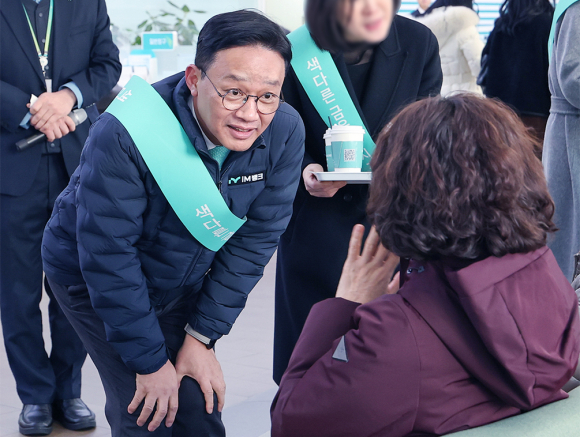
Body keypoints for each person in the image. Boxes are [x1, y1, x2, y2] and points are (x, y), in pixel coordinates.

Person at [41, 9, 304, 437]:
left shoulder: (285, 131)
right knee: (148, 410)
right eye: (234, 92)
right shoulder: (125, 132)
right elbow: (109, 256)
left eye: (267, 96)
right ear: (194, 79)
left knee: (198, 405)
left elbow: (255, 242)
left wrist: (201, 338)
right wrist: (149, 364)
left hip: (182, 276)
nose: (250, 114)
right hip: (92, 275)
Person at [271, 93, 580, 437]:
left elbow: (291, 421)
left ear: (397, 192)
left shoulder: (394, 334)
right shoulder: (549, 280)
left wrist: (345, 304)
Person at [273, 0, 442, 384]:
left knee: (384, 357)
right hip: (316, 220)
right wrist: (304, 168)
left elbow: (429, 131)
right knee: (308, 356)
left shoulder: (418, 41)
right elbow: (277, 130)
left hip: (390, 220)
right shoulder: (296, 48)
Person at [0, 1, 121, 435]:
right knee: (17, 293)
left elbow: (107, 64)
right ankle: (34, 395)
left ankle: (69, 390)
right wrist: (32, 110)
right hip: (12, 165)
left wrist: (67, 96)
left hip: (79, 163)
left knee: (77, 286)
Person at [480, 0, 553, 153]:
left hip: (500, 113)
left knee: (506, 162)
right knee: (536, 163)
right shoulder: (547, 24)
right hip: (538, 114)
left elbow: (485, 62)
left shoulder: (502, 24)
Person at [542, 0, 580, 281]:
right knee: (569, 230)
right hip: (572, 133)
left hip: (570, 129)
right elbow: (572, 78)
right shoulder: (576, 8)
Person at [414, 0, 484, 96]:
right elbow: (479, 67)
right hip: (467, 95)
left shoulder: (428, 31)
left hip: (441, 94)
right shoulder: (466, 29)